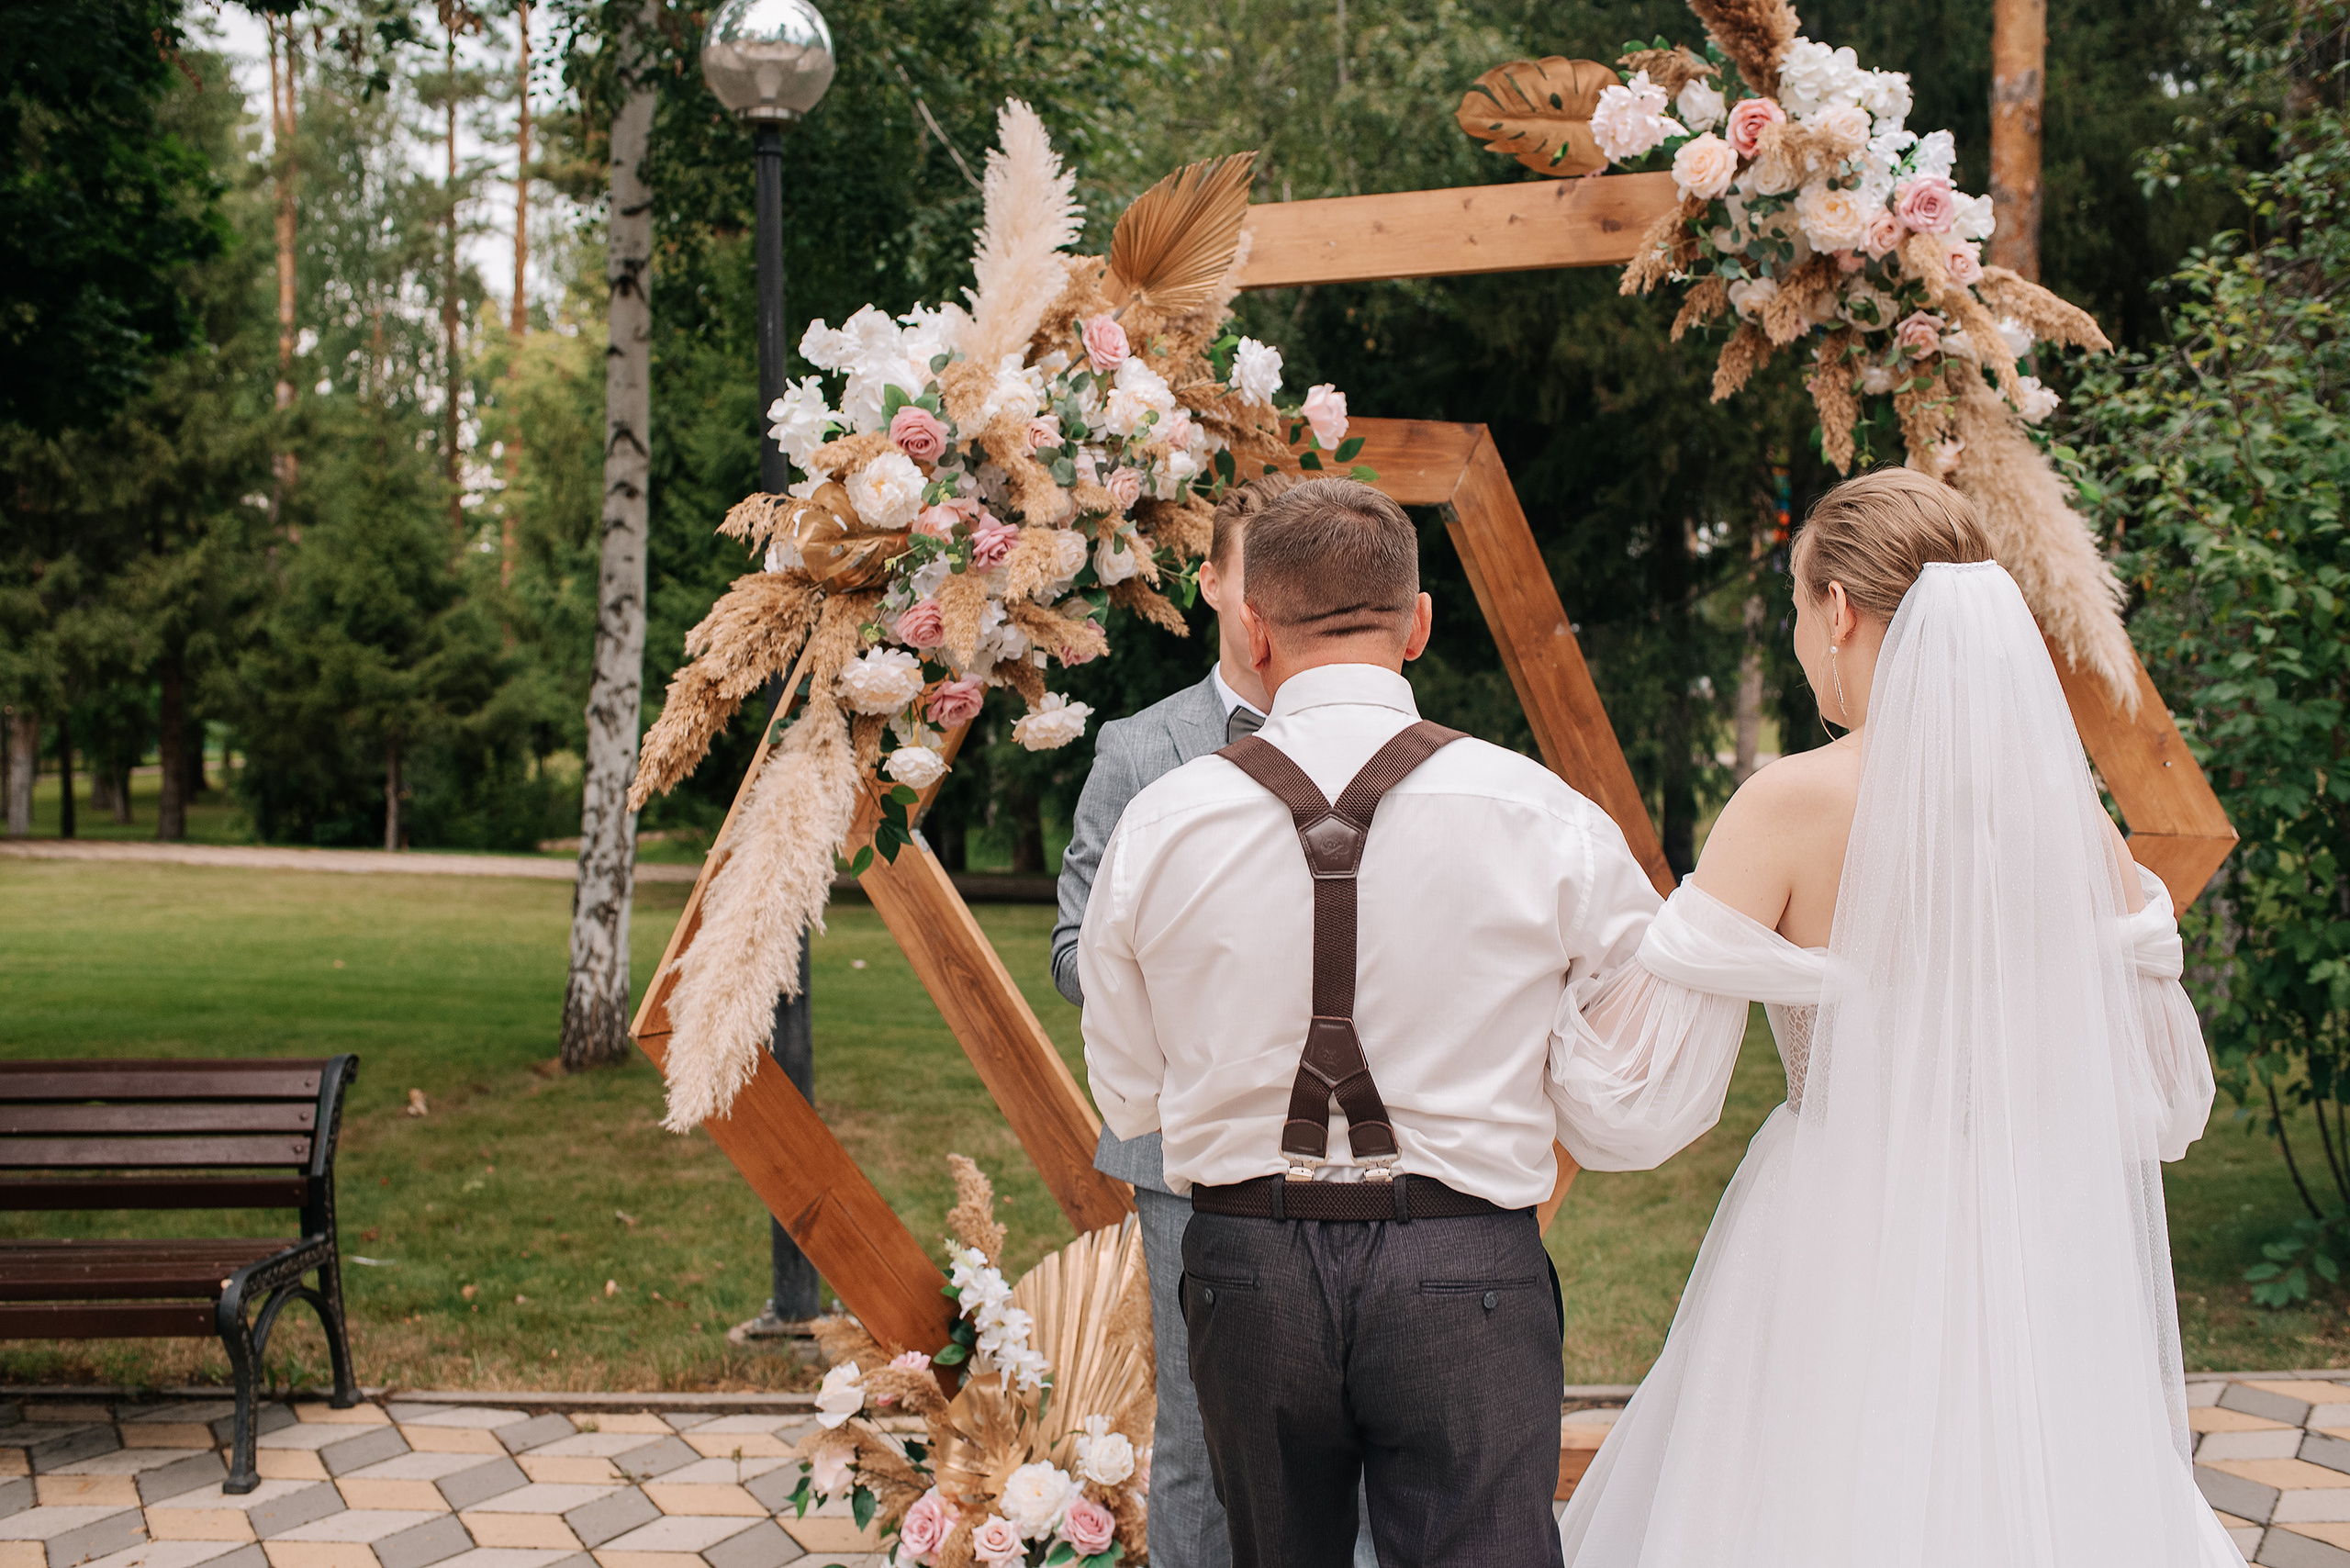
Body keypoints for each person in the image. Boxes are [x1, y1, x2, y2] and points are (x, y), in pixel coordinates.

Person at [1555, 467, 2233, 1565]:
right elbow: (2167, 1096)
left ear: (1837, 611)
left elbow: (1641, 1092)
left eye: (1793, 603)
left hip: (1837, 1227)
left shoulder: (1789, 802)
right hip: (2029, 1228)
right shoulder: (2070, 818)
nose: (1795, 637)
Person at [1080, 478, 1747, 1568]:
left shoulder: (1162, 823)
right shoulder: (1540, 812)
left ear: (1255, 625)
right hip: (1462, 1263)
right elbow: (1642, 1052)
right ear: (1419, 622)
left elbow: (1128, 1089)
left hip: (1248, 1263)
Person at [1051, 471, 1294, 1568]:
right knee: (1199, 1436)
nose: (1273, 603)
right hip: (1183, 1154)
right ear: (1211, 585)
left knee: (1343, 1434)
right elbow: (1072, 950)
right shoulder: (1139, 749)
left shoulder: (1378, 742)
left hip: (1350, 1142)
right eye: (1256, 578)